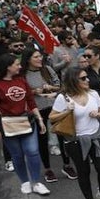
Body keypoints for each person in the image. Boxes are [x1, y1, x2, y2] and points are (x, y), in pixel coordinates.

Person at [51, 65, 100, 199]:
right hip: (75, 140)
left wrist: (98, 115)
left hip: (96, 136)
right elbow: (52, 117)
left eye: (87, 77)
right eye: (83, 78)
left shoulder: (93, 94)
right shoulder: (63, 98)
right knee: (83, 171)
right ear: (74, 80)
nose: (88, 80)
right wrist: (67, 110)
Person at [0, 54, 48, 195]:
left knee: (32, 151)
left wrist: (39, 118)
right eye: (17, 64)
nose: (20, 66)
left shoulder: (21, 80)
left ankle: (36, 182)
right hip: (7, 124)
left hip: (27, 121)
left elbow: (31, 101)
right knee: (17, 155)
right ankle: (24, 181)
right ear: (7, 67)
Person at [22, 48, 64, 182]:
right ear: (28, 59)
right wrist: (34, 91)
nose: (40, 59)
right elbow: (22, 92)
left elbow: (59, 86)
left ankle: (67, 164)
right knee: (42, 139)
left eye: (40, 56)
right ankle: (47, 169)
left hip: (54, 106)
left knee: (62, 135)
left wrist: (50, 88)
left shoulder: (47, 69)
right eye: (36, 57)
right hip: (37, 109)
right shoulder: (23, 74)